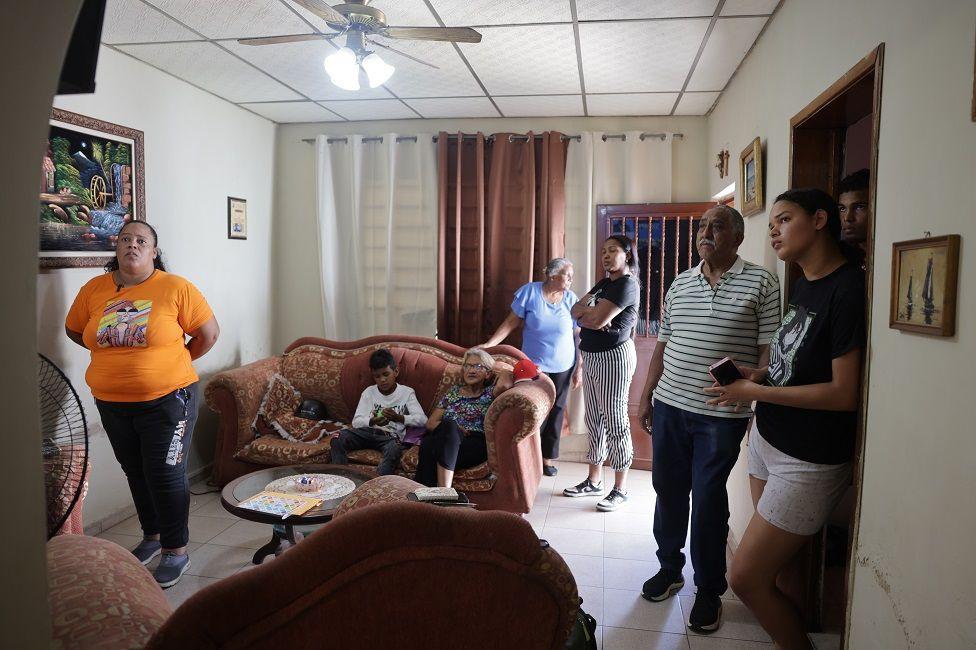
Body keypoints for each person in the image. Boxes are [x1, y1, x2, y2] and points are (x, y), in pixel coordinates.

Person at [705, 189, 865, 649]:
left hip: (808, 458)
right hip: (769, 438)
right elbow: (794, 363)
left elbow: (843, 393)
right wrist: (760, 374)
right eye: (771, 221)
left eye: (784, 219)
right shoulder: (804, 281)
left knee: (747, 578)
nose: (773, 229)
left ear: (820, 220)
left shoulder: (848, 288)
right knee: (780, 566)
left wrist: (751, 391)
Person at [636, 205, 781, 633]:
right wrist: (646, 397)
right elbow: (663, 346)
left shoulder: (761, 281)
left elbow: (768, 350)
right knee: (667, 491)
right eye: (702, 226)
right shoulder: (680, 283)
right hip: (670, 408)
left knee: (709, 500)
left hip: (721, 414)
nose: (706, 233)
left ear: (737, 237)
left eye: (717, 226)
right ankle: (669, 568)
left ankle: (709, 590)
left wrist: (757, 396)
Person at [65, 221, 219, 588]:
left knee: (165, 474)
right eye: (125, 239)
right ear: (116, 247)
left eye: (141, 241)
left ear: (153, 251)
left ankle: (175, 550)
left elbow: (208, 334)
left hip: (168, 401)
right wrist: (114, 355)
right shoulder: (94, 289)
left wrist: (174, 363)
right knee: (135, 470)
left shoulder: (175, 288)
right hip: (112, 402)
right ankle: (152, 538)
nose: (132, 245)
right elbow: (75, 330)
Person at [482, 258, 581, 477]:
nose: (571, 280)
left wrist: (580, 366)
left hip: (564, 365)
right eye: (568, 275)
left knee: (556, 411)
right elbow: (511, 322)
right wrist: (491, 344)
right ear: (553, 276)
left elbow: (577, 335)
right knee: (534, 410)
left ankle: (546, 459)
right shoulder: (530, 293)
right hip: (534, 367)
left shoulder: (571, 300)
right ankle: (528, 456)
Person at [561, 235, 639, 512]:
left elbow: (594, 318)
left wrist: (590, 315)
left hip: (613, 357)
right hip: (592, 354)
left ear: (627, 254)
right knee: (594, 418)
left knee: (615, 420)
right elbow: (574, 310)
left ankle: (620, 488)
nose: (606, 256)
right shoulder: (606, 283)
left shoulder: (626, 285)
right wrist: (589, 315)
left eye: (612, 251)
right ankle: (594, 480)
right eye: (603, 251)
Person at [415, 348, 510, 488]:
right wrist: (455, 429)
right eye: (467, 366)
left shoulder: (490, 393)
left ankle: (442, 491)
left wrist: (503, 370)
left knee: (434, 442)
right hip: (446, 439)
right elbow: (431, 423)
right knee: (432, 440)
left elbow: (505, 384)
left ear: (488, 374)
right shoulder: (453, 392)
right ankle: (428, 501)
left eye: (477, 366)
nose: (471, 370)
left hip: (473, 444)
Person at [330, 348, 427, 475]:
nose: (382, 380)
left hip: (390, 437)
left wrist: (399, 418)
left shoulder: (406, 392)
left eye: (386, 374)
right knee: (337, 438)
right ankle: (341, 479)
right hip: (368, 433)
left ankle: (376, 483)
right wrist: (372, 421)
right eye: (377, 376)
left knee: (394, 450)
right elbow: (356, 422)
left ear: (396, 371)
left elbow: (423, 420)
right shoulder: (369, 392)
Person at [837, 169, 870, 267]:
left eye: (859, 207)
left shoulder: (890, 250)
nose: (847, 218)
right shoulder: (838, 257)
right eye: (842, 209)